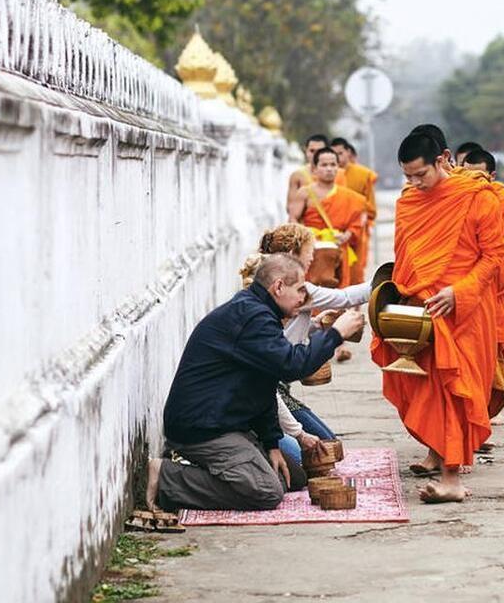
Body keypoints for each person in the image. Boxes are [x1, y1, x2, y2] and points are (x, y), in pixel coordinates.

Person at [149, 254, 364, 512]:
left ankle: (219, 470)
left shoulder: (260, 312)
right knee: (266, 491)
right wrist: (336, 334)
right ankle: (167, 477)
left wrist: (272, 443)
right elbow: (292, 365)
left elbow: (263, 385)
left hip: (228, 422)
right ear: (278, 286)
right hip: (202, 429)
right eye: (300, 290)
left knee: (292, 477)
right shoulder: (252, 316)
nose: (303, 299)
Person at [370, 132, 504, 503]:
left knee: (455, 390)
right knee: (426, 390)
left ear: (443, 159)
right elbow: (405, 257)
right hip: (421, 312)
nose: (414, 184)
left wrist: (458, 292)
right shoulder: (408, 203)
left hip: (463, 311)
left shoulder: (478, 199)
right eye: (408, 177)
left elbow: (494, 257)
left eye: (421, 175)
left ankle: (452, 479)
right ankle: (441, 461)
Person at [241, 224, 373, 446]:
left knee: (325, 444)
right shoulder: (293, 291)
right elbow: (345, 298)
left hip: (273, 383)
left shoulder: (268, 285)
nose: (313, 258)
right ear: (293, 255)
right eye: (309, 252)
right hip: (266, 391)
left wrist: (313, 325)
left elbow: (282, 333)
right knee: (319, 448)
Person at [460, 148, 504, 421]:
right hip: (461, 289)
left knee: (493, 354)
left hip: (496, 289)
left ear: (491, 175)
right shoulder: (454, 200)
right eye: (467, 174)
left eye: (480, 176)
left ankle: (482, 417)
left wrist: (489, 264)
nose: (474, 182)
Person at [293, 147, 367, 289]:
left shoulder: (349, 196)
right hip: (313, 249)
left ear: (338, 168)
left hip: (338, 247)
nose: (329, 169)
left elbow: (358, 220)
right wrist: (307, 239)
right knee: (313, 289)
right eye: (324, 165)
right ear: (314, 169)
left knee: (339, 290)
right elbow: (293, 220)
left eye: (333, 165)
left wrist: (347, 235)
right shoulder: (304, 193)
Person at [330, 137, 378, 286]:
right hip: (333, 230)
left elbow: (371, 207)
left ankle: (356, 308)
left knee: (356, 272)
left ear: (348, 153)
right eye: (334, 154)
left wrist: (359, 214)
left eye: (340, 153)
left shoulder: (363, 174)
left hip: (357, 230)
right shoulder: (328, 176)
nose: (337, 157)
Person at [286, 134, 329, 221]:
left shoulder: (339, 176)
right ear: (305, 151)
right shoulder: (298, 176)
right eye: (312, 151)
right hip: (307, 227)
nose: (315, 155)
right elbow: (290, 208)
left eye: (320, 151)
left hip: (332, 229)